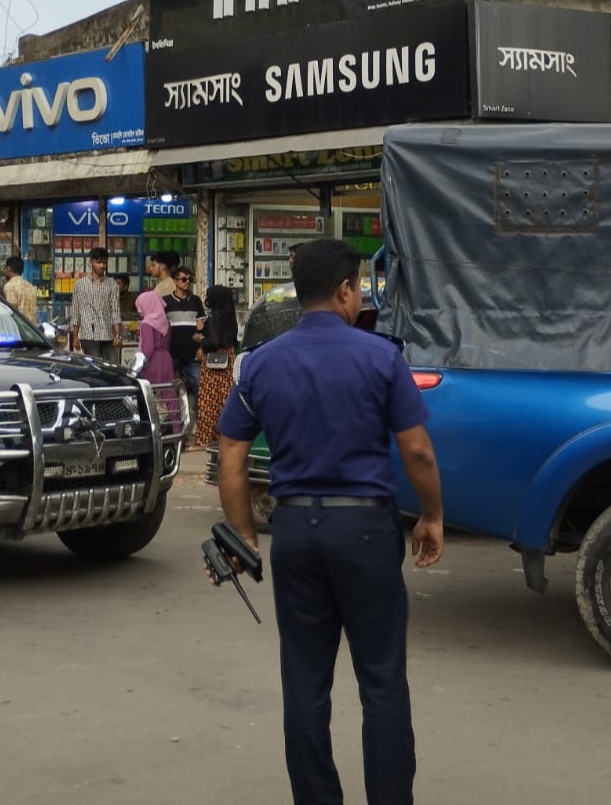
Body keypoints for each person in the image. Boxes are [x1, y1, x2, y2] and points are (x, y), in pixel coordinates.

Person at [210, 238, 445, 805]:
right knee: (383, 683)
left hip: (293, 535)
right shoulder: (380, 357)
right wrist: (433, 516)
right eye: (358, 287)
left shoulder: (260, 364)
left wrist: (243, 534)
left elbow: (231, 461)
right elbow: (416, 451)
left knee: (305, 684)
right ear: (344, 290)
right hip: (365, 534)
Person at [192, 282, 238, 447]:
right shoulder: (230, 315)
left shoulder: (214, 316)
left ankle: (205, 438)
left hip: (213, 364)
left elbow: (214, 342)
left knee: (208, 402)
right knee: (225, 400)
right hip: (229, 361)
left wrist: (201, 339)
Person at [70, 247, 123, 363]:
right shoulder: (80, 285)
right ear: (91, 262)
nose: (101, 266)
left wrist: (118, 335)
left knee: (112, 367)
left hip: (108, 335)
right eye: (98, 262)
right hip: (89, 335)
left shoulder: (112, 284)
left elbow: (115, 311)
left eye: (104, 263)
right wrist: (75, 336)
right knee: (95, 368)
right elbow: (75, 312)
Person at [163, 265, 206, 399]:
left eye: (189, 279)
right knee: (166, 386)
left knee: (201, 384)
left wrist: (202, 346)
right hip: (172, 352)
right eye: (183, 279)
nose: (187, 282)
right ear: (175, 281)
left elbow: (201, 325)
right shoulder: (165, 301)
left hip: (191, 353)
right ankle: (170, 417)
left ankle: (200, 418)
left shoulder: (196, 301)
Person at [133, 288, 176, 393]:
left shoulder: (146, 324)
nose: (140, 310)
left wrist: (135, 368)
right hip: (166, 360)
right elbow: (167, 345)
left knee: (153, 395)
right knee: (167, 393)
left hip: (152, 362)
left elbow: (147, 349)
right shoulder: (166, 322)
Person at [2, 256, 39, 325]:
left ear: (9, 268)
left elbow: (11, 310)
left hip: (19, 328)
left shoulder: (10, 286)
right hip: (32, 329)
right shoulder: (30, 286)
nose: (5, 271)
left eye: (5, 268)